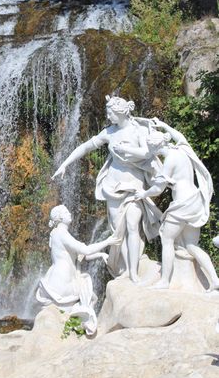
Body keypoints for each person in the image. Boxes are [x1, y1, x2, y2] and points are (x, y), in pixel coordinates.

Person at [52, 95, 162, 282]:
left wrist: (126, 151)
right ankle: (126, 269)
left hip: (133, 184)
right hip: (111, 185)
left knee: (132, 225)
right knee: (118, 231)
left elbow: (147, 152)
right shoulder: (109, 132)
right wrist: (64, 164)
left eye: (110, 113)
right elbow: (86, 147)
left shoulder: (138, 131)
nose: (108, 117)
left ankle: (134, 273)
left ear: (120, 112)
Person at [130, 121, 218, 290]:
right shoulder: (182, 150)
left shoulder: (169, 160)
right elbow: (180, 136)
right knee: (192, 245)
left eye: (151, 149)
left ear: (155, 148)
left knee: (167, 238)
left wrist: (143, 194)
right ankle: (214, 280)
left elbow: (158, 189)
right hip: (195, 200)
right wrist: (162, 124)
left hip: (182, 205)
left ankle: (164, 281)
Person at [36, 205, 122, 335]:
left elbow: (82, 256)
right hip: (62, 281)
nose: (69, 213)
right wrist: (108, 241)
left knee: (90, 297)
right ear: (59, 217)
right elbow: (85, 250)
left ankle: (76, 326)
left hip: (60, 277)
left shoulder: (56, 233)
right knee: (89, 298)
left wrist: (101, 255)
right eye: (66, 212)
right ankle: (79, 327)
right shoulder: (61, 233)